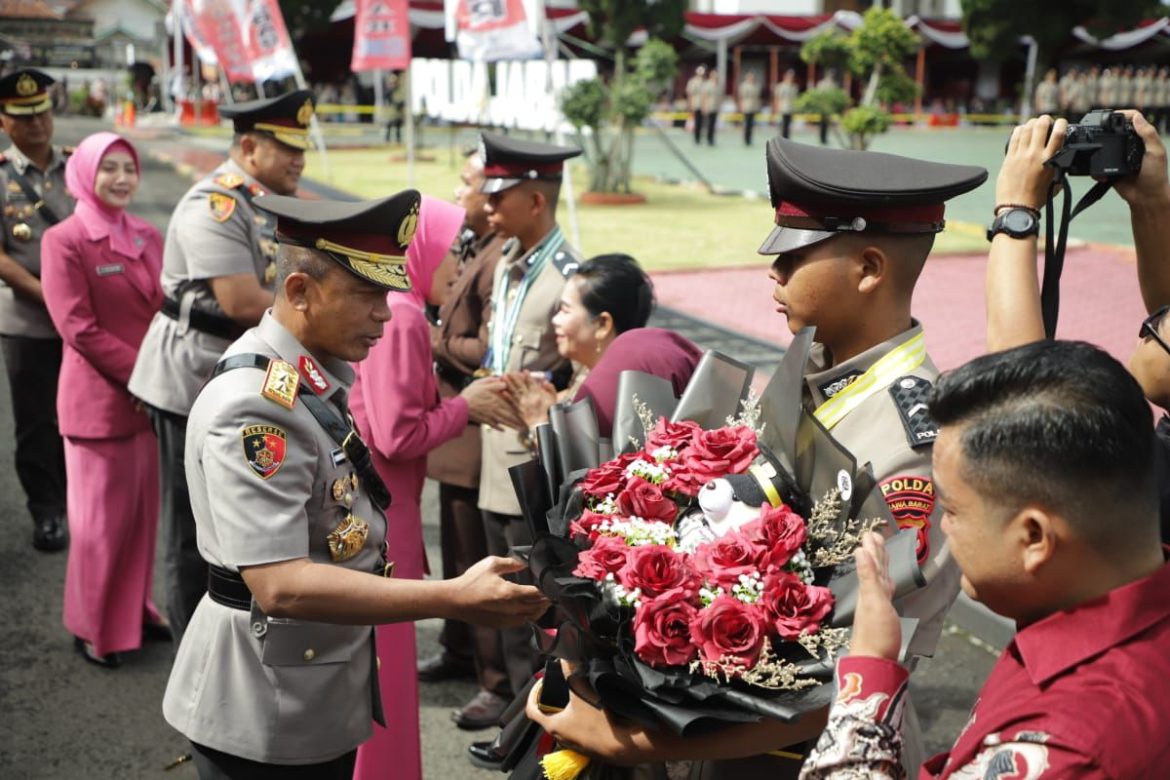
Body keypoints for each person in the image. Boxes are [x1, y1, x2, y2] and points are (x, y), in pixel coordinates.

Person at [525, 138, 988, 778]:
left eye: (793, 257)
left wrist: (631, 744)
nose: (773, 274)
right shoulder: (819, 378)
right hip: (731, 739)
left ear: (870, 267)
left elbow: (860, 674)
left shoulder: (908, 443)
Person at [161, 190, 549, 779]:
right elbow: (282, 585)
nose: (386, 315)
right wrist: (452, 596)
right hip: (264, 703)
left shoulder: (307, 378)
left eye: (388, 295)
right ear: (300, 293)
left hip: (307, 684)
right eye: (368, 295)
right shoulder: (257, 407)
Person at [801, 340, 1170, 779]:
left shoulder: (1067, 749)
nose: (943, 527)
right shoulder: (1093, 594)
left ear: (1034, 536)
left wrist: (867, 677)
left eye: (953, 510)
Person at [128, 89, 316, 645]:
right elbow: (238, 302)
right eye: (288, 150)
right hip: (190, 376)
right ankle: (193, 646)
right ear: (251, 147)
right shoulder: (217, 204)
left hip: (242, 374)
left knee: (244, 519)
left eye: (301, 149)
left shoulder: (271, 201)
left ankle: (237, 631)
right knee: (192, 526)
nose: (299, 160)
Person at [348, 195, 524, 780]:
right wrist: (465, 408)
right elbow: (397, 436)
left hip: (379, 500)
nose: (460, 263)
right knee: (385, 669)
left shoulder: (392, 309)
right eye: (454, 249)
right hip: (386, 504)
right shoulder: (400, 317)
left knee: (378, 666)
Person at [984, 110, 1170, 542]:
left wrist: (1015, 214)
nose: (1153, 325)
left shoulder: (1142, 478)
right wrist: (1152, 202)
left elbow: (1022, 407)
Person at [39, 132, 165, 667]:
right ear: (84, 174)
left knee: (140, 519)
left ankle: (133, 610)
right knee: (99, 526)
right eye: (107, 168)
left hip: (149, 400)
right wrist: (145, 377)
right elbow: (78, 328)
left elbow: (165, 308)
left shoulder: (145, 234)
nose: (120, 178)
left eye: (127, 168)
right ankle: (93, 626)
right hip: (102, 403)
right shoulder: (64, 240)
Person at [478, 131, 584, 700]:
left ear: (537, 201)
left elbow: (583, 366)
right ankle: (510, 712)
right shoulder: (509, 262)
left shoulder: (569, 275)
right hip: (494, 453)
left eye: (501, 195)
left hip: (531, 458)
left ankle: (534, 720)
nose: (488, 206)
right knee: (498, 593)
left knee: (531, 604)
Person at [422, 148, 517, 730]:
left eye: (468, 186)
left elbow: (486, 348)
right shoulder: (472, 245)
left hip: (474, 420)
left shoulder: (498, 256)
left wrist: (429, 337)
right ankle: (460, 651)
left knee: (475, 556)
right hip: (456, 420)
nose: (460, 196)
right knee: (457, 549)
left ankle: (495, 681)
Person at [506, 254, 701, 438]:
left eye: (565, 311)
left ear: (602, 324)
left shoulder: (604, 398)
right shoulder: (593, 374)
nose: (555, 320)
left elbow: (574, 466)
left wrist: (538, 421)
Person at [0, 68, 73, 552]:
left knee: (82, 416)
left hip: (83, 323)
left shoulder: (78, 168)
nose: (37, 124)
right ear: (4, 122)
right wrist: (49, 296)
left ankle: (81, 501)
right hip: (27, 321)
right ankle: (46, 511)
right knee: (36, 422)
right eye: (24, 117)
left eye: (42, 112)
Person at [774, 69, 800, 140]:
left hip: (791, 108)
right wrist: (776, 107)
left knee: (788, 125)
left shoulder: (794, 87)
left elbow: (795, 99)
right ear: (785, 77)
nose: (790, 78)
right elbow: (777, 98)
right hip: (783, 107)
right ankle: (782, 139)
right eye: (789, 76)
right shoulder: (781, 86)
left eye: (792, 77)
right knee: (782, 125)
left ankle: (787, 139)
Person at [738, 71, 762, 146]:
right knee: (746, 124)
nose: (751, 79)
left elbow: (757, 98)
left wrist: (758, 106)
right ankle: (746, 139)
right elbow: (741, 97)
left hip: (753, 107)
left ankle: (750, 139)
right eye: (750, 77)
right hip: (746, 106)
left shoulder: (756, 86)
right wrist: (741, 106)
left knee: (751, 124)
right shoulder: (744, 86)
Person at [815, 70, 838, 145]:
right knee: (822, 123)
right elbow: (818, 94)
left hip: (829, 107)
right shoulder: (822, 83)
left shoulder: (834, 84)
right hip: (823, 105)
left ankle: (824, 138)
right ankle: (822, 138)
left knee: (827, 123)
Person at [686, 66, 707, 146]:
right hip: (695, 104)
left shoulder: (704, 82)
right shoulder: (692, 82)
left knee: (701, 122)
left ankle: (699, 138)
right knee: (696, 122)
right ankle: (696, 138)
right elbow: (689, 94)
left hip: (703, 105)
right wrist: (690, 105)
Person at [702, 69, 721, 147]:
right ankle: (709, 139)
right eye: (714, 75)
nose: (716, 77)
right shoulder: (707, 84)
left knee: (713, 124)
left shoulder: (718, 85)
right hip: (709, 106)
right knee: (709, 124)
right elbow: (704, 96)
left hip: (715, 107)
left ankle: (712, 138)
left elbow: (719, 97)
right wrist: (704, 106)